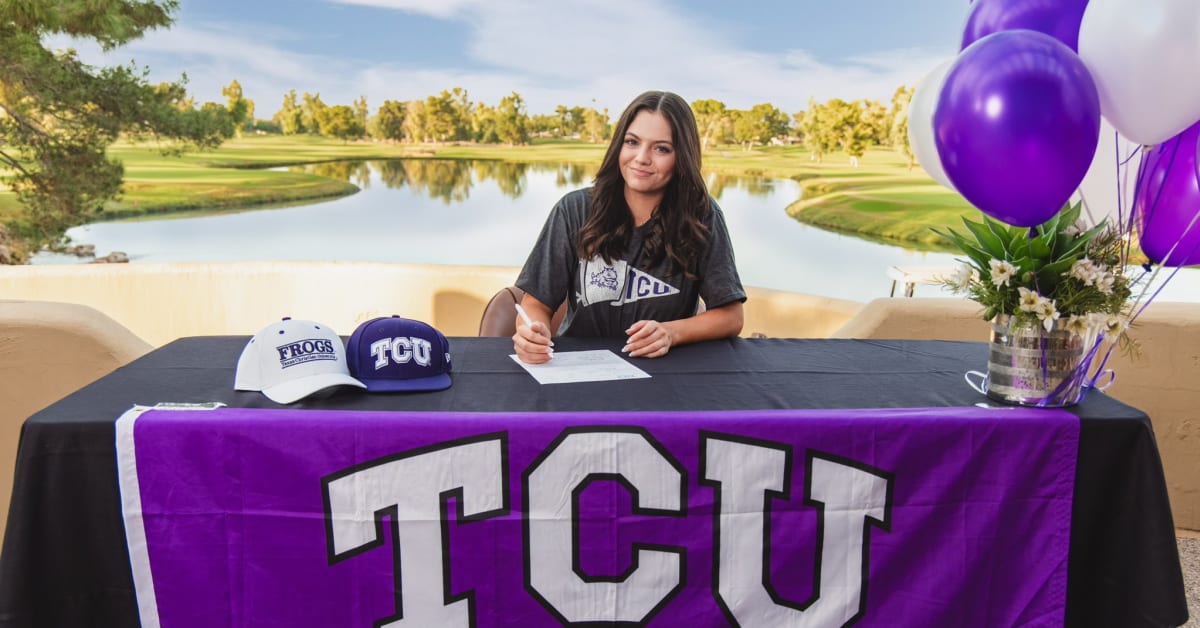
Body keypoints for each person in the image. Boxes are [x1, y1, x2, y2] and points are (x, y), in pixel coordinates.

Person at [513, 90, 746, 364]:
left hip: (665, 375)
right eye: (632, 142)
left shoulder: (702, 215)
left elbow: (731, 317)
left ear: (682, 156)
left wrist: (672, 332)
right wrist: (530, 332)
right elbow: (535, 305)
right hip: (579, 371)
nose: (642, 158)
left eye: (661, 148)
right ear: (618, 146)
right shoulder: (574, 210)